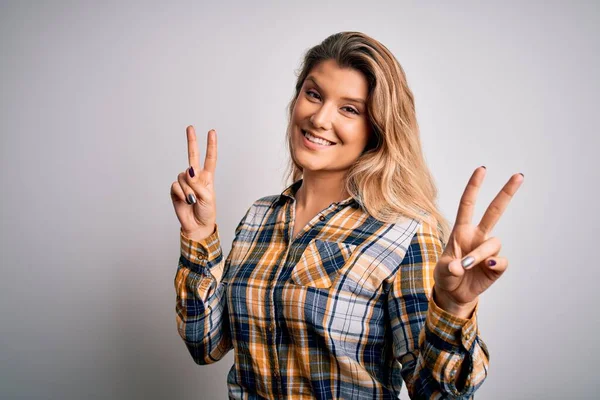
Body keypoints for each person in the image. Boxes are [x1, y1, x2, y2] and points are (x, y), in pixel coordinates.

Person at [170, 31, 524, 399]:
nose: (320, 118)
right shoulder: (259, 218)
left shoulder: (405, 231)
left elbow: (438, 394)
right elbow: (205, 345)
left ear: (377, 129)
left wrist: (455, 307)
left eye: (349, 109)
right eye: (313, 94)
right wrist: (199, 235)